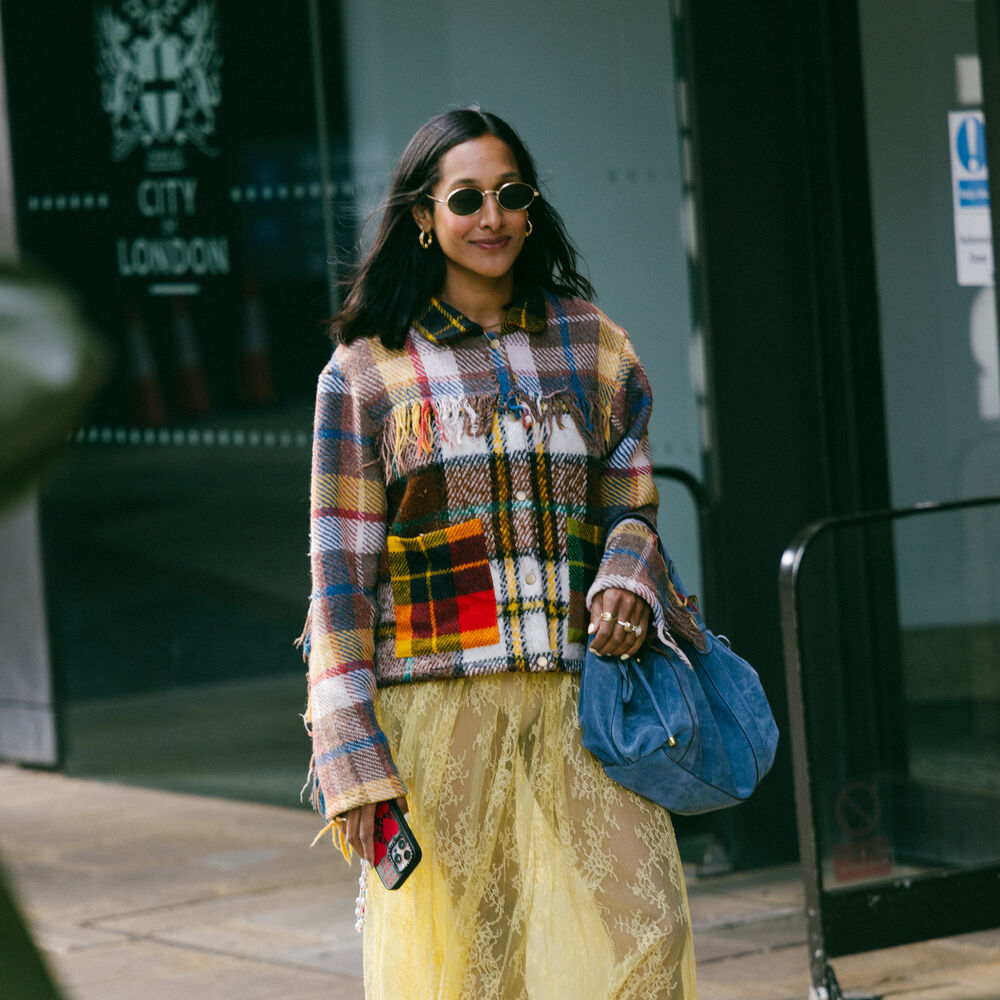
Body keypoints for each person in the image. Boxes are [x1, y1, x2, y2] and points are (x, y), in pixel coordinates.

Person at [300, 107, 701, 999]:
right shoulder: (365, 373)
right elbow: (340, 584)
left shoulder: (591, 344)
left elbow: (630, 501)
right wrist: (354, 759)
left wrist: (627, 576)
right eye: (467, 198)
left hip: (581, 694)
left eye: (510, 195)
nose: (493, 218)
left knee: (653, 928)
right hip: (444, 705)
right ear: (422, 215)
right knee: (483, 967)